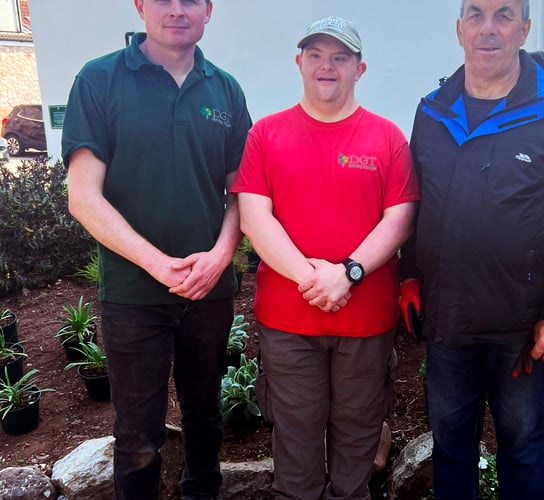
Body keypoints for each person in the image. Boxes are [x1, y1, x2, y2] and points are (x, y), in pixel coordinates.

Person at [398, 0, 544, 498]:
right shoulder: (433, 111)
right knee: (450, 447)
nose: (488, 28)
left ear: (524, 29)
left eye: (504, 14)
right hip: (448, 321)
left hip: (522, 326)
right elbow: (417, 201)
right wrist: (410, 276)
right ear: (459, 29)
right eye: (476, 14)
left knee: (522, 446)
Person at [63, 0, 252, 498]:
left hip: (209, 289)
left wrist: (220, 256)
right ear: (140, 6)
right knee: (138, 436)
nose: (176, 10)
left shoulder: (225, 90)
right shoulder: (100, 80)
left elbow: (243, 193)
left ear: (208, 10)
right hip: (133, 293)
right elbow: (83, 197)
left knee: (205, 417)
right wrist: (157, 264)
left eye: (190, 0)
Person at [231, 16, 419, 500]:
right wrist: (314, 279)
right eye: (315, 55)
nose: (326, 66)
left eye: (339, 57)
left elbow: (399, 219)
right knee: (295, 436)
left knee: (358, 435)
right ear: (299, 63)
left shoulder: (387, 138)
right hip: (289, 322)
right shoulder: (266, 134)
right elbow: (254, 217)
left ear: (360, 69)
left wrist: (348, 274)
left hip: (366, 321)